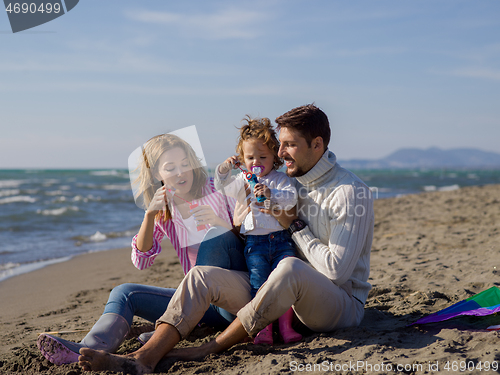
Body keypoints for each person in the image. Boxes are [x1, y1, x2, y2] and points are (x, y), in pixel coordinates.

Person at [77, 104, 374, 375]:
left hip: (336, 305)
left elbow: (336, 272)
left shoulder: (350, 192)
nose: (280, 153)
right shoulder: (290, 182)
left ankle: (211, 346)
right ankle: (144, 357)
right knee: (199, 277)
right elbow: (240, 189)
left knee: (290, 266)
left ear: (317, 144)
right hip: (279, 296)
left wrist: (293, 224)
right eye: (280, 144)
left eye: (289, 145)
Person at [37, 132, 248, 366]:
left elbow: (249, 236)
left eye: (185, 164)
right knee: (124, 292)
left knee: (214, 237)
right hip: (201, 306)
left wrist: (221, 223)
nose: (180, 172)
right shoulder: (164, 210)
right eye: (170, 167)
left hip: (234, 298)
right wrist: (150, 215)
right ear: (157, 173)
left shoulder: (218, 188)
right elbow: (142, 261)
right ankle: (88, 349)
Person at [215, 116, 302, 345]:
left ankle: (286, 328)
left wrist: (272, 195)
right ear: (243, 159)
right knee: (259, 285)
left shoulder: (280, 180)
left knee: (282, 283)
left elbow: (291, 197)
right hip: (255, 245)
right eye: (250, 157)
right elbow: (220, 186)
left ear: (274, 157)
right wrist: (224, 169)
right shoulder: (243, 181)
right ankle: (263, 329)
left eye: (263, 157)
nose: (257, 162)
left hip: (282, 240)